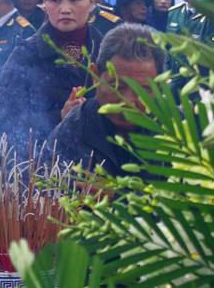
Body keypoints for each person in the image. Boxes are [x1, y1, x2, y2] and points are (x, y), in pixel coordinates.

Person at [0, 0, 104, 149]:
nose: (65, 9)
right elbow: (7, 122)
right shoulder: (26, 55)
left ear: (92, 2)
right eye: (55, 0)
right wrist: (61, 117)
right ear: (44, 3)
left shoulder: (107, 52)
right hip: (46, 168)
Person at [47, 23, 165, 177]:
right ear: (95, 76)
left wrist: (117, 197)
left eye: (143, 91)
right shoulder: (74, 129)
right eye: (117, 87)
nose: (128, 102)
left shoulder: (175, 128)